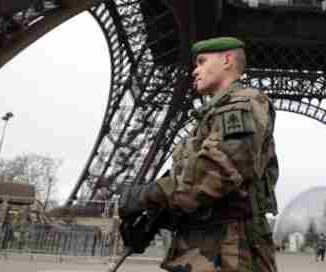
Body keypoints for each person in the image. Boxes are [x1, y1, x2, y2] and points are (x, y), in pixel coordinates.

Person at [119, 37, 279, 272]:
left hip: (230, 254)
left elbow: (217, 172)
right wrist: (157, 218)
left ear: (227, 60)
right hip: (205, 253)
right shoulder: (211, 115)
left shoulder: (242, 103)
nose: (195, 71)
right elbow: (197, 187)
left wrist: (145, 196)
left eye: (202, 62)